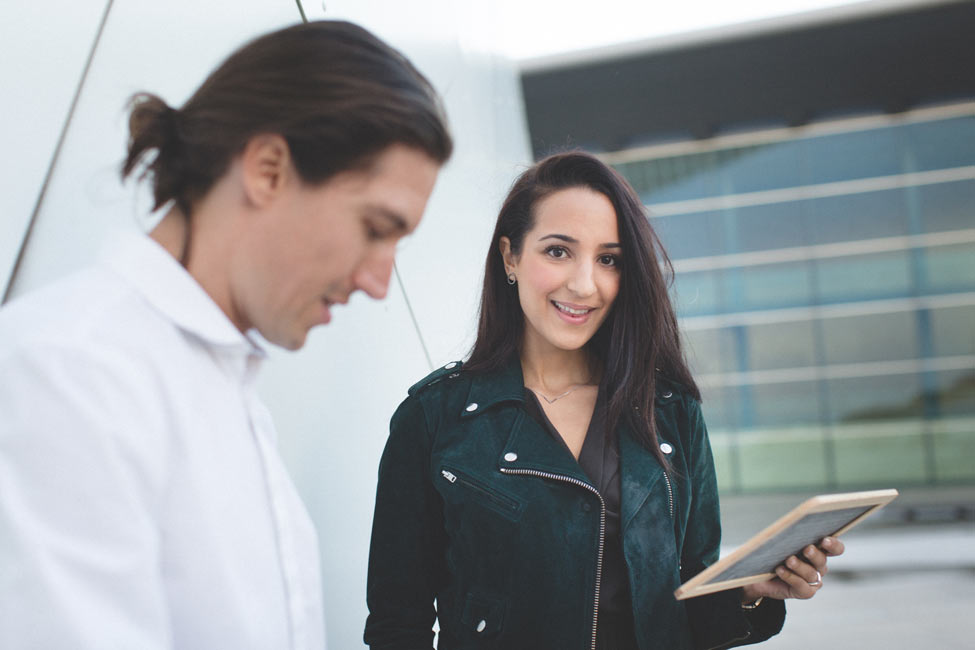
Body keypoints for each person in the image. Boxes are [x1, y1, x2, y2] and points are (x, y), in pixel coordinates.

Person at [0, 20, 451, 649]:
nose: (380, 282)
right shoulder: (69, 372)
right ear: (267, 169)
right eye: (376, 228)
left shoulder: (218, 382)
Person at [364, 152, 843, 650]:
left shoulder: (671, 412)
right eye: (558, 251)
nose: (584, 284)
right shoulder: (434, 418)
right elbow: (398, 624)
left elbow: (689, 606)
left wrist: (747, 592)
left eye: (608, 259)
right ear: (510, 256)